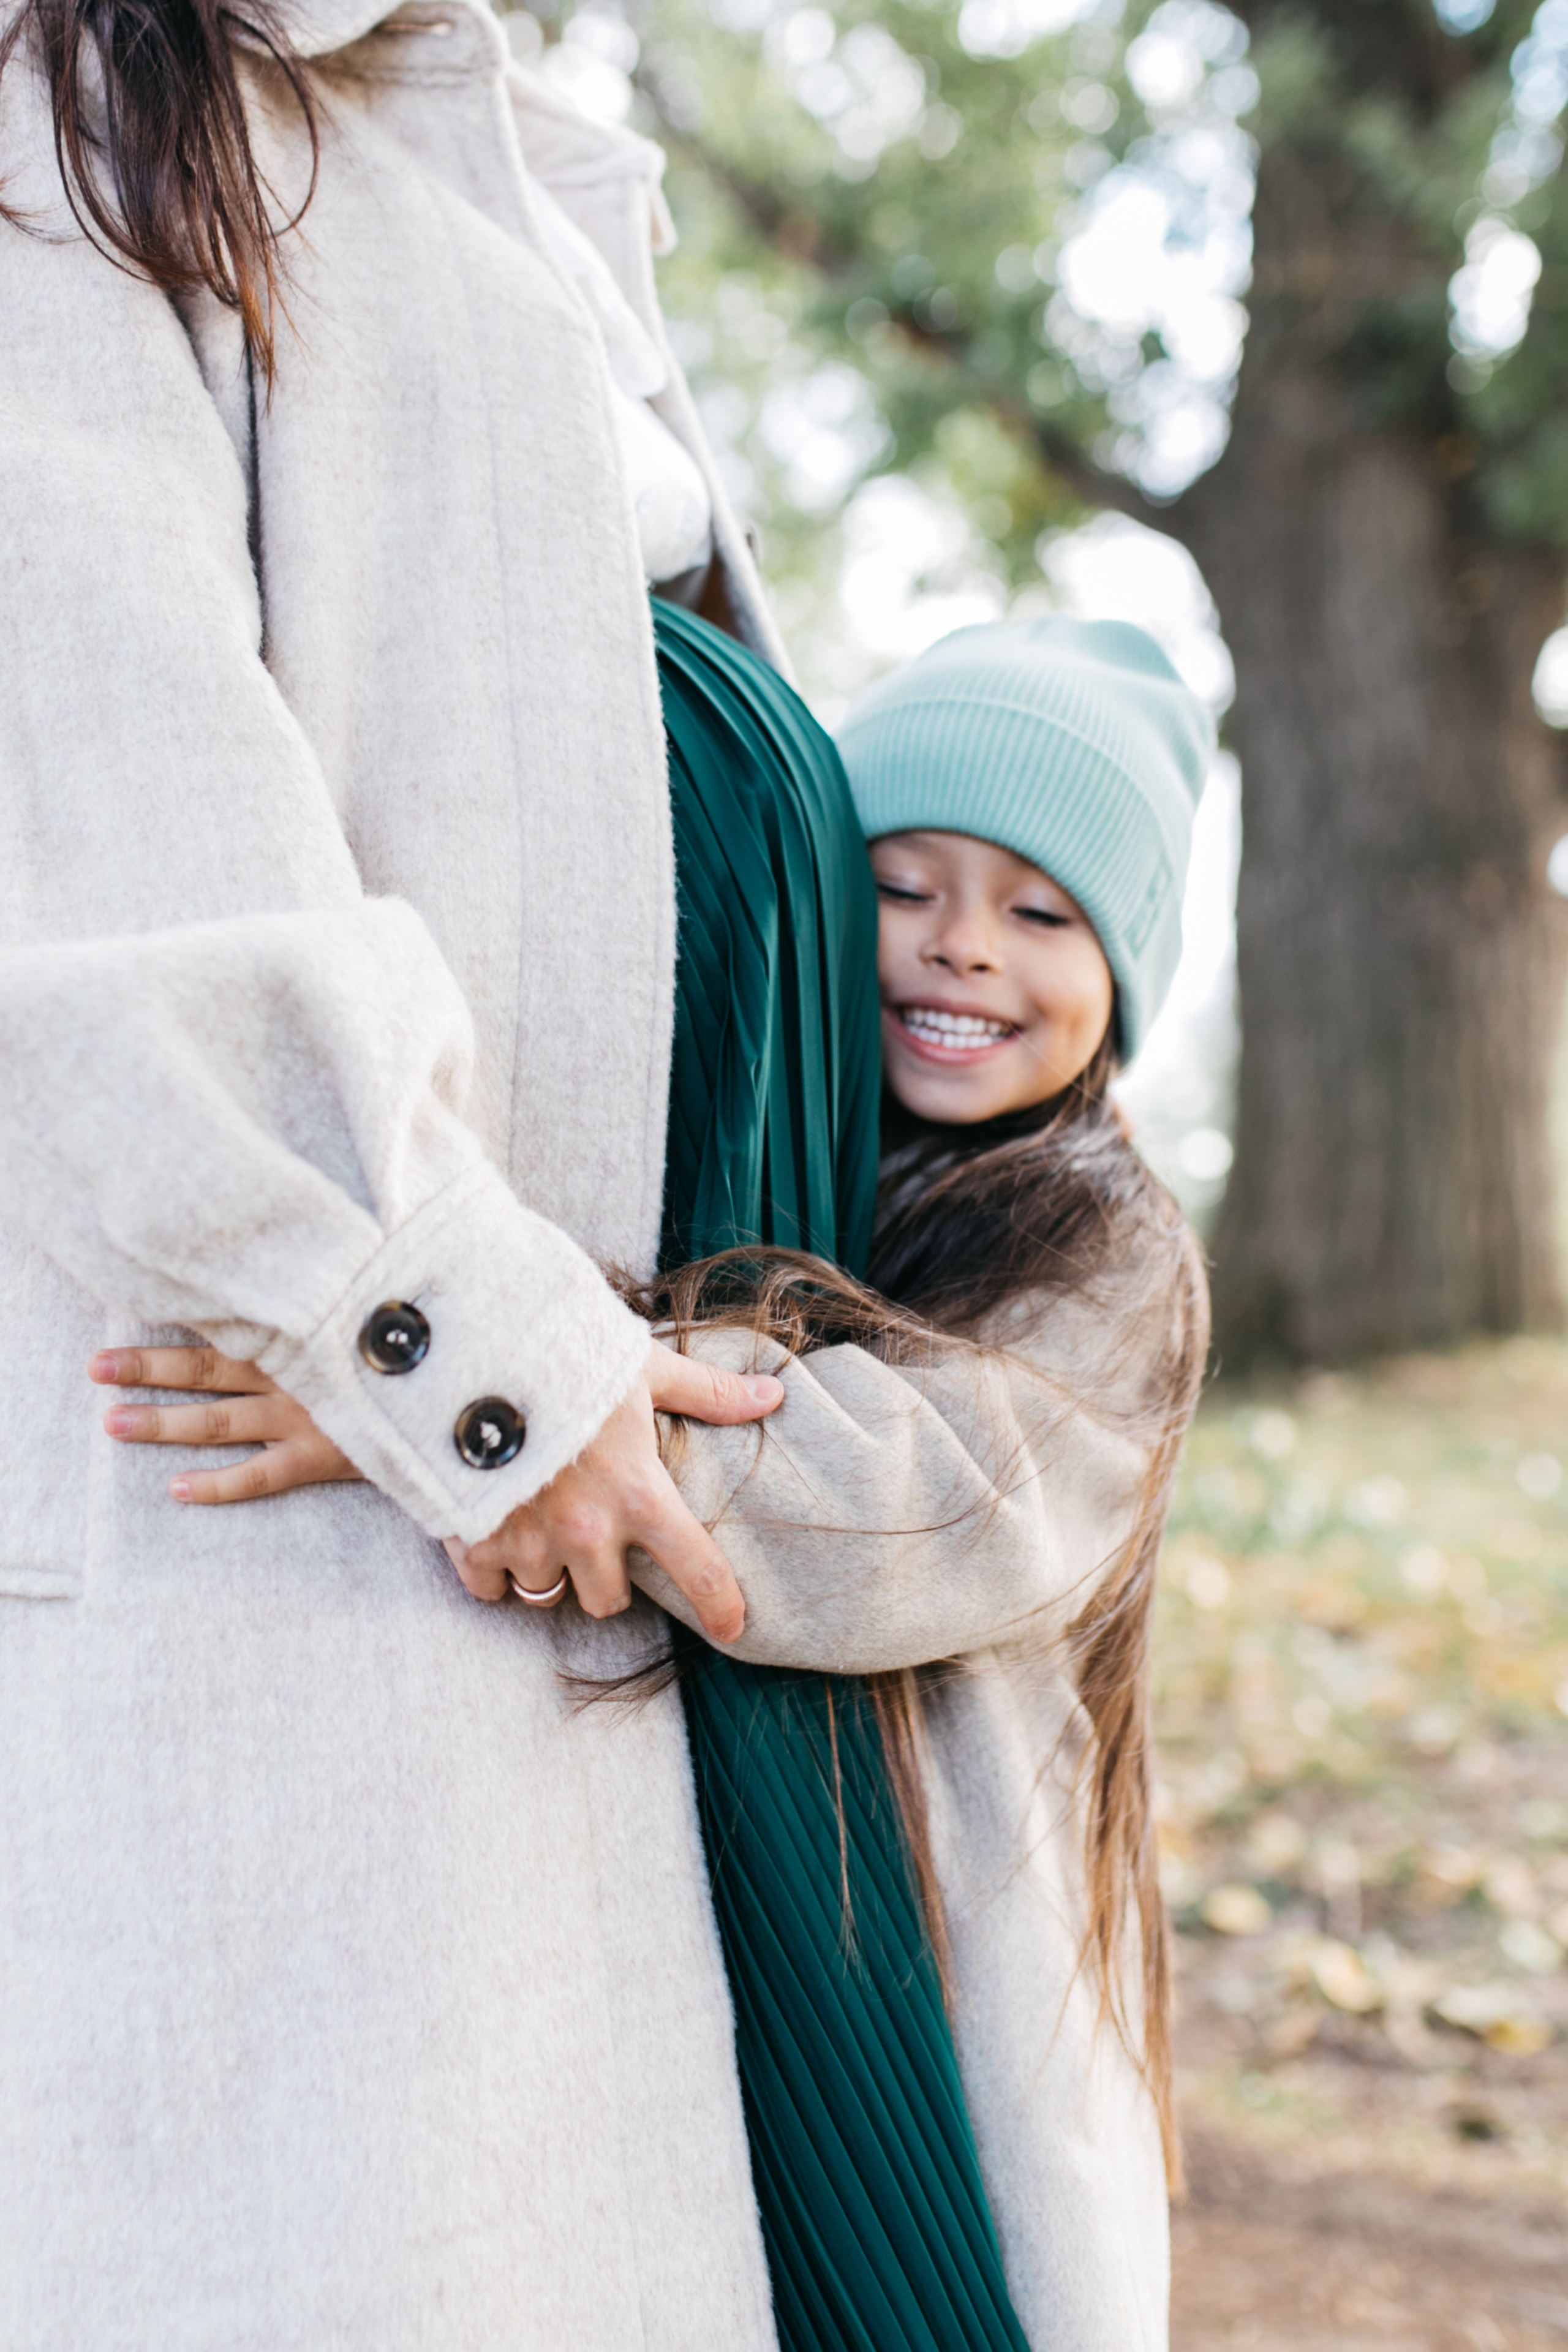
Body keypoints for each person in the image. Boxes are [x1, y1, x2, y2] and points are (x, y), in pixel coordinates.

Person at [116, 617, 1215, 2348]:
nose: (960, 950)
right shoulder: (797, 1143)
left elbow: (929, 1504)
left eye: (1040, 910)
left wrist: (499, 1410)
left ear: (1125, 966)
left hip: (954, 1908)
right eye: (907, 884)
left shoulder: (1105, 1249)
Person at [0, 0, 796, 2338]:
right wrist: (441, 1325)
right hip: (351, 1519)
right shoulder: (86, 112)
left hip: (609, 1479)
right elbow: (119, 829)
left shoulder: (539, 137)